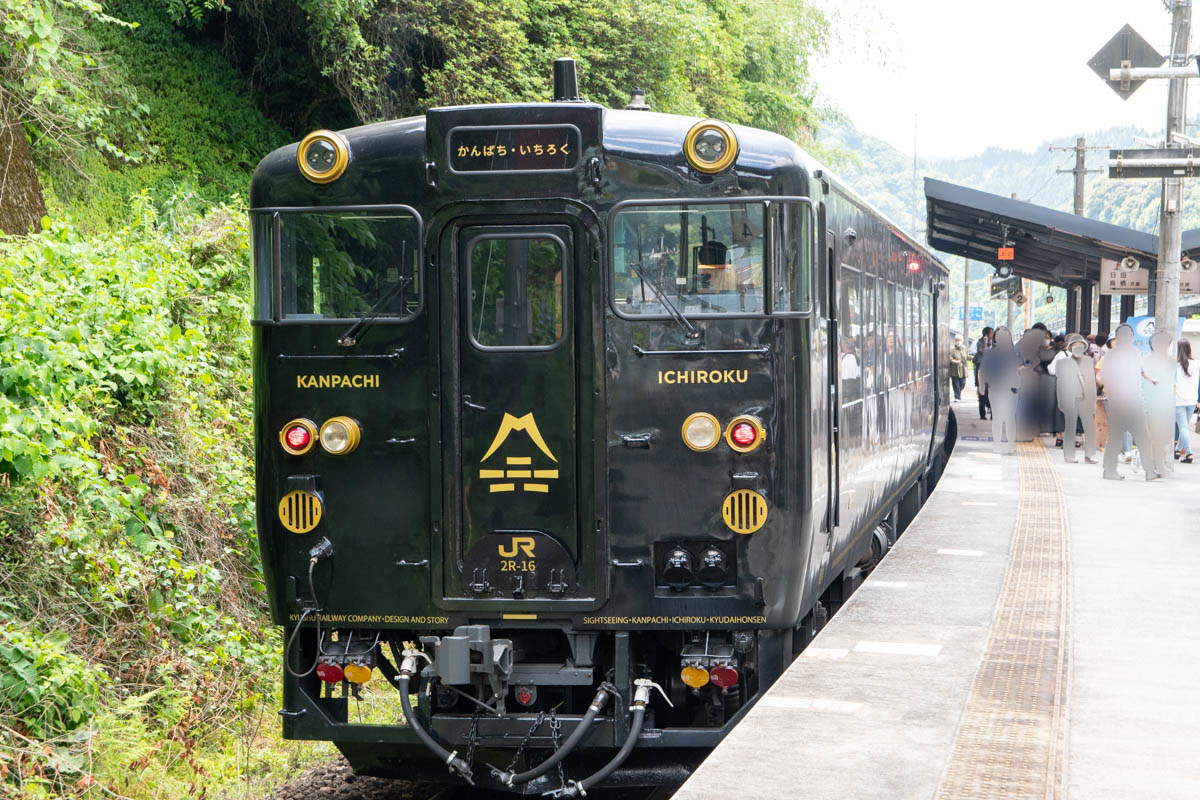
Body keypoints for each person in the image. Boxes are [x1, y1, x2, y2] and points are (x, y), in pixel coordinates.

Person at [1099, 323, 1160, 481]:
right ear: (1117, 338)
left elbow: (1141, 371)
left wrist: (1152, 380)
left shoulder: (1135, 353)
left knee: (1143, 437)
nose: (1126, 338)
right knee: (1115, 437)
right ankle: (1109, 470)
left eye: (1129, 335)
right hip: (1117, 403)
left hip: (1135, 401)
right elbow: (1102, 377)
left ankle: (1150, 470)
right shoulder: (1111, 356)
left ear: (1132, 338)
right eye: (1123, 335)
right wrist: (1113, 391)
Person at [1048, 333, 1098, 464]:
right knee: (1070, 427)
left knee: (1089, 427)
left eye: (1081, 346)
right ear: (1070, 348)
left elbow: (1091, 382)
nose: (1078, 348)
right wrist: (1061, 401)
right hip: (1070, 398)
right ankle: (1069, 455)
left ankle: (1090, 455)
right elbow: (1060, 383)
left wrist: (1093, 400)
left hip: (1086, 398)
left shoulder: (1088, 361)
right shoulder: (1063, 362)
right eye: (1075, 346)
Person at [980, 326, 1022, 455]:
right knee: (998, 418)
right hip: (996, 388)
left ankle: (1011, 444)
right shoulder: (989, 352)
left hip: (1012, 389)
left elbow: (1023, 364)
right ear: (996, 339)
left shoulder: (1015, 352)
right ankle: (997, 444)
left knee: (1010, 418)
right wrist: (981, 386)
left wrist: (1020, 370)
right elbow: (982, 370)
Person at [1142, 330, 1176, 476]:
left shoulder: (1171, 361)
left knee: (1167, 435)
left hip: (1167, 403)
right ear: (1152, 344)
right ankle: (1158, 465)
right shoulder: (1145, 360)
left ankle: (1143, 458)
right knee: (1156, 435)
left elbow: (1172, 383)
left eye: (1165, 342)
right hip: (1150, 403)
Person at [1175, 338, 1199, 464]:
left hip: (1179, 401)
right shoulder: (1196, 363)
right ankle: (1178, 450)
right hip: (1192, 400)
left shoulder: (1175, 365)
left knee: (1183, 427)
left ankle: (1189, 453)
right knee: (1184, 426)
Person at [972, 327, 993, 420]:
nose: (993, 335)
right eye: (991, 333)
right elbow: (984, 352)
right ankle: (982, 414)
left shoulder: (994, 343)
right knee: (982, 391)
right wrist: (985, 342)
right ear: (987, 334)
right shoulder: (980, 342)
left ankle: (993, 413)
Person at [949, 334, 968, 401]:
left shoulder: (964, 348)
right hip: (954, 370)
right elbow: (949, 358)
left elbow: (966, 357)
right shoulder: (952, 349)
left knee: (962, 383)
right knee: (956, 384)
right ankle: (957, 396)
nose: (958, 342)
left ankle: (958, 393)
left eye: (959, 340)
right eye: (957, 340)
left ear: (962, 341)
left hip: (963, 370)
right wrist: (955, 361)